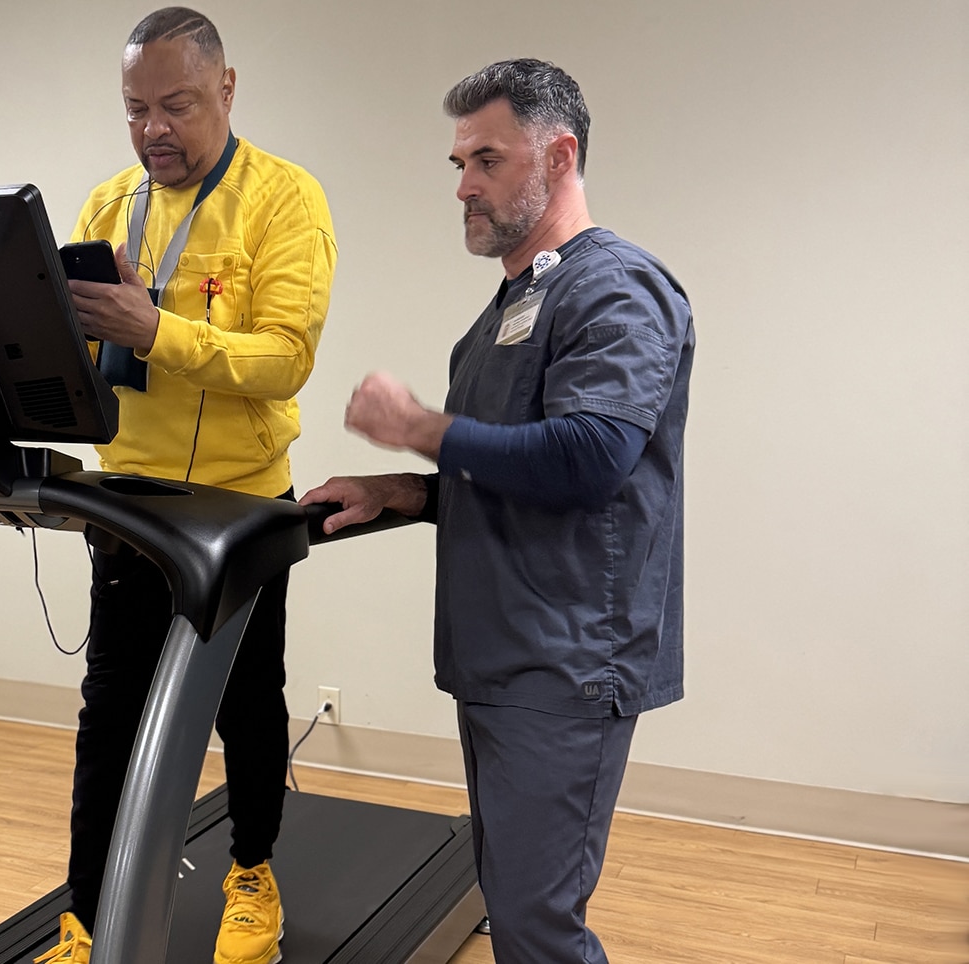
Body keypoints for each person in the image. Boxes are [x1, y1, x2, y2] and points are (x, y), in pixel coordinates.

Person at [302, 59, 693, 964]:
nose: (464, 187)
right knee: (515, 907)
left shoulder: (615, 289)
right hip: (501, 654)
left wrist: (419, 430)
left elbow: (591, 458)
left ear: (559, 156)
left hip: (565, 663)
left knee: (535, 928)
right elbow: (518, 474)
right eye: (457, 165)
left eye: (488, 160)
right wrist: (401, 492)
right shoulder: (513, 306)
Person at [38, 8, 336, 964]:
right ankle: (85, 915)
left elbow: (284, 359)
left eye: (177, 105)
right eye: (136, 110)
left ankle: (253, 871)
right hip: (130, 500)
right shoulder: (105, 204)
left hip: (244, 503)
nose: (155, 129)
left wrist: (152, 326)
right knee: (108, 712)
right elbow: (70, 355)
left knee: (248, 700)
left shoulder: (284, 200)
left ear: (228, 90)